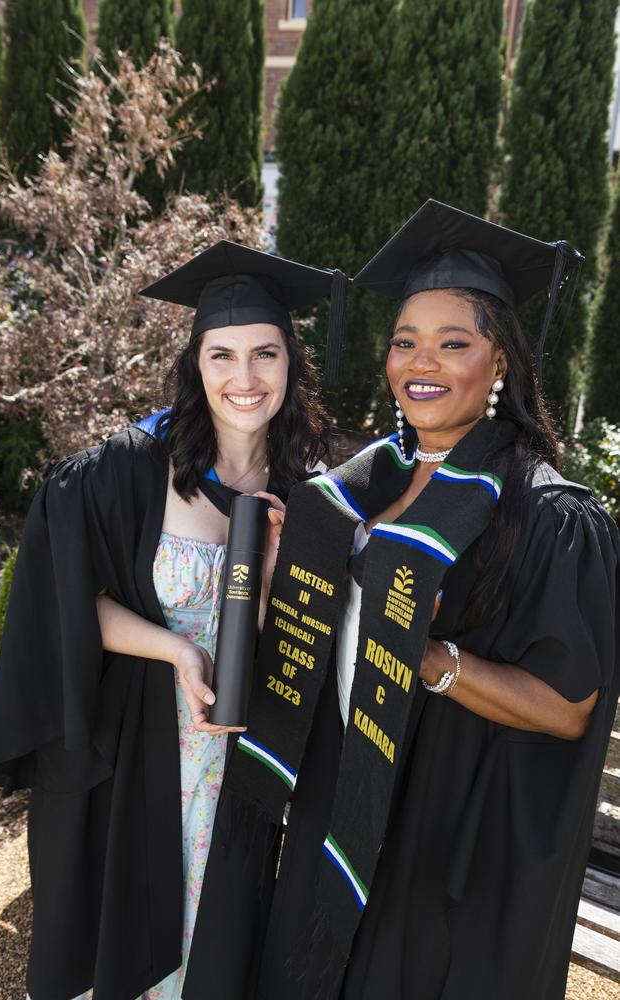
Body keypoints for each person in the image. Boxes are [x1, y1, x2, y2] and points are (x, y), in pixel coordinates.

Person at [182, 201, 620, 1000]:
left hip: (439, 825)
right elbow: (333, 640)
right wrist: (293, 573)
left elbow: (568, 707)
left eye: (456, 342)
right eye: (405, 341)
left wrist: (425, 656)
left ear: (502, 365)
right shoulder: (359, 488)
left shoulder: (547, 514)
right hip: (340, 795)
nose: (423, 360)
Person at [0, 240, 346, 1000]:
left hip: (236, 766)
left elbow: (299, 643)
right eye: (222, 356)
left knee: (213, 956)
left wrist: (277, 568)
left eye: (265, 354)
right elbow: (62, 603)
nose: (245, 379)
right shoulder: (122, 471)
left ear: (290, 363)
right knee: (126, 951)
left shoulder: (308, 488)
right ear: (195, 363)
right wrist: (175, 649)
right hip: (135, 752)